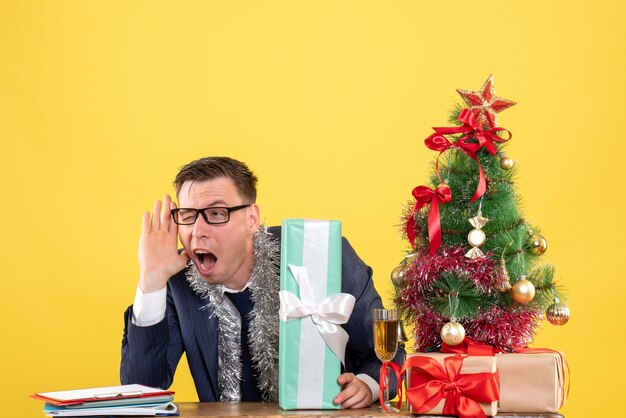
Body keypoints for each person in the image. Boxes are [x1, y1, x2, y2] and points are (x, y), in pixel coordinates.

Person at [120, 156, 404, 408]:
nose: (197, 231)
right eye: (188, 215)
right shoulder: (175, 279)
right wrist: (151, 280)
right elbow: (142, 390)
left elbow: (391, 356)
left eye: (217, 214)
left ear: (251, 219)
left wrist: (368, 386)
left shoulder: (324, 254)